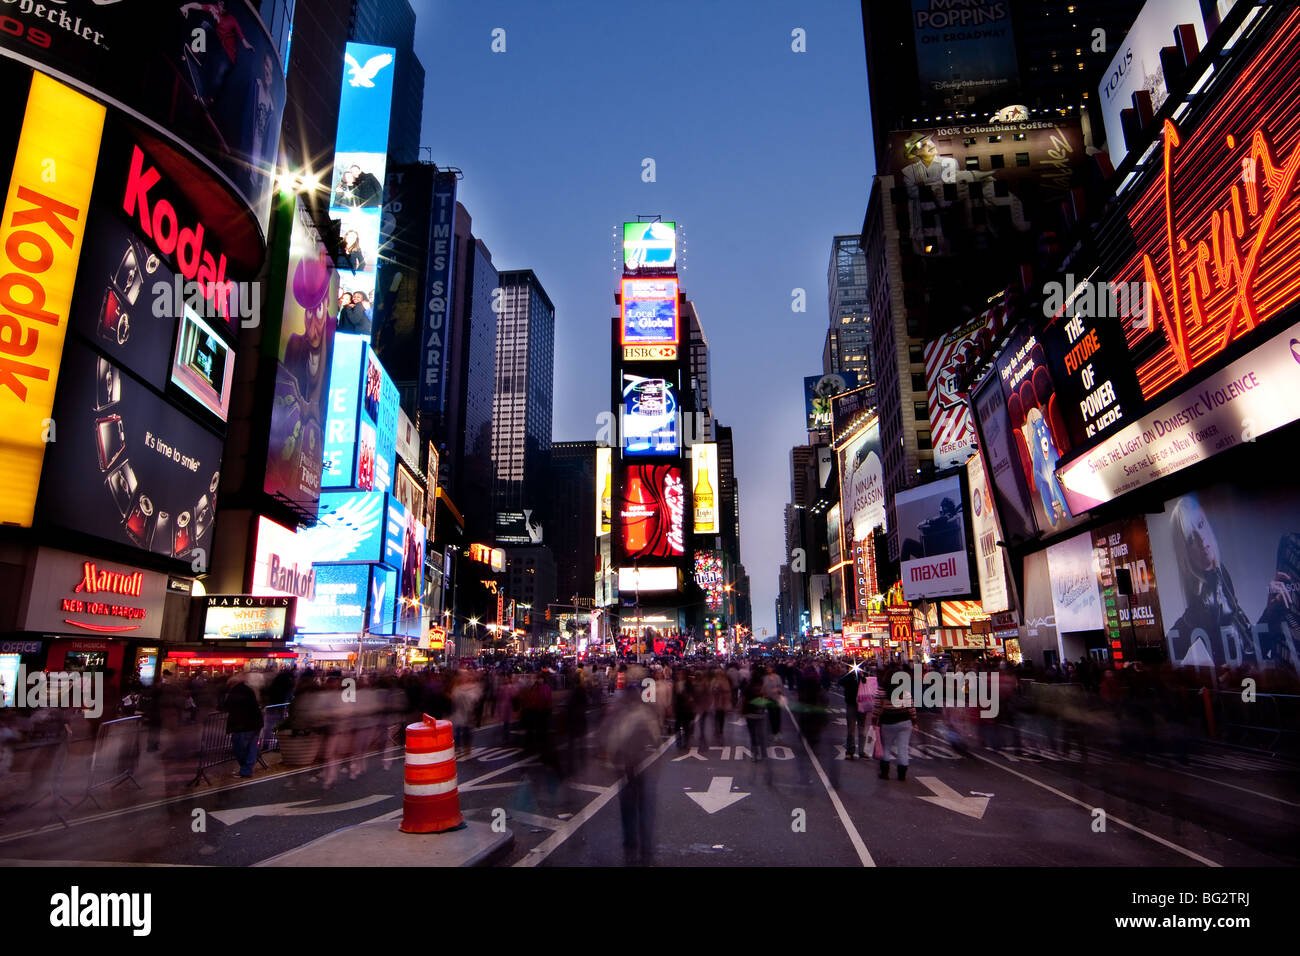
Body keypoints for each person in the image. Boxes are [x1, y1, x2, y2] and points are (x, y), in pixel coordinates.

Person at [601, 667, 660, 866]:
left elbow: (609, 733)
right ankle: (644, 851)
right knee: (643, 807)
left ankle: (631, 848)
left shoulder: (620, 707)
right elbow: (655, 735)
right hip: (640, 764)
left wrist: (608, 757)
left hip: (625, 765)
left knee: (629, 807)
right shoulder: (645, 708)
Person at [874, 665, 917, 781]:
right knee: (903, 748)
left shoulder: (881, 690)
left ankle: (885, 773)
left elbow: (877, 707)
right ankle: (902, 775)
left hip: (888, 721)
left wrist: (874, 720)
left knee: (886, 748)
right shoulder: (904, 691)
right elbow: (911, 707)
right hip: (905, 721)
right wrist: (914, 721)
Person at [222, 672, 263, 778]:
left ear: (232, 684)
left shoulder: (236, 692)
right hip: (255, 723)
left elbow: (226, 706)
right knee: (251, 748)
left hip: (242, 725)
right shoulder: (248, 690)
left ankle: (246, 769)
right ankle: (247, 769)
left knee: (239, 748)